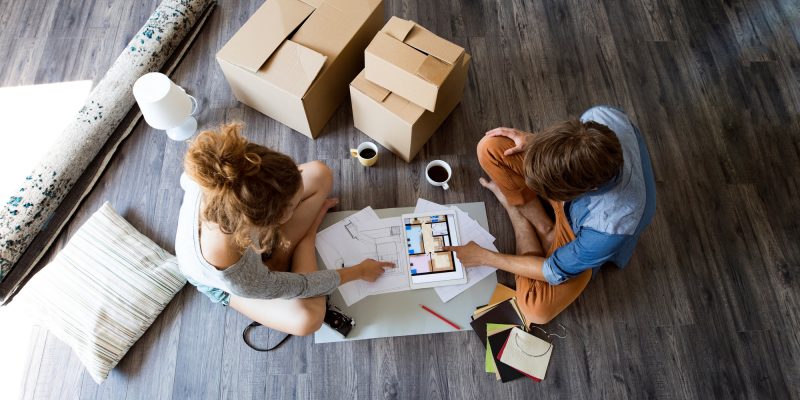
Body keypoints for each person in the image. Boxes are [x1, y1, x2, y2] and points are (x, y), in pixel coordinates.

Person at [175, 123, 393, 336]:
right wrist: (358, 271)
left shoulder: (224, 172)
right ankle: (305, 242)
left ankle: (294, 246)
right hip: (228, 282)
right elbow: (302, 285)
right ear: (268, 223)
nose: (299, 202)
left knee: (320, 173)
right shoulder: (240, 276)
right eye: (294, 204)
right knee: (309, 319)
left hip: (248, 243)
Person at [446, 106, 656, 324]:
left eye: (548, 190)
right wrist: (535, 143)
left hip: (583, 233)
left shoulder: (609, 228)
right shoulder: (599, 116)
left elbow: (553, 270)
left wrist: (485, 257)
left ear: (582, 191)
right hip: (579, 191)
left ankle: (518, 217)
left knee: (535, 310)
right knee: (491, 147)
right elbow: (571, 147)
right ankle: (545, 227)